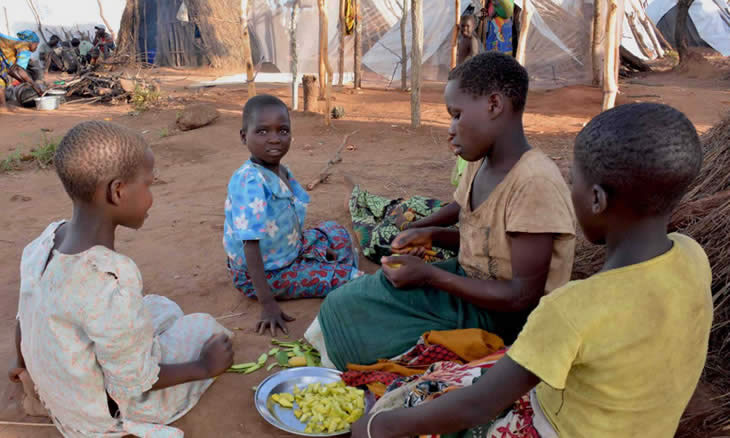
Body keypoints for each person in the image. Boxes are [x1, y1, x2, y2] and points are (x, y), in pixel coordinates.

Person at [351, 102, 712, 438]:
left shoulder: (571, 308)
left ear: (597, 199)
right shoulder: (692, 255)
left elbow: (477, 406)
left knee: (428, 395)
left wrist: (376, 428)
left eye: (575, 181)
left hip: (557, 428)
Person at [307, 52, 576, 370]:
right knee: (347, 301)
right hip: (469, 284)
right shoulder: (482, 164)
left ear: (493, 105)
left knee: (363, 335)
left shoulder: (534, 183)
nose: (450, 129)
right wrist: (427, 232)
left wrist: (430, 275)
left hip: (506, 320)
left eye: (457, 114)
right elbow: (475, 228)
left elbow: (521, 298)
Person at [7, 121, 234, 438]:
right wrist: (205, 367)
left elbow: (24, 319)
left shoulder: (44, 241)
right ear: (118, 191)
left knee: (159, 306)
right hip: (103, 411)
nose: (151, 196)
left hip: (59, 385)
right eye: (148, 184)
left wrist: (23, 365)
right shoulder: (110, 280)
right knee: (206, 328)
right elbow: (133, 383)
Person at [224, 95, 360, 336]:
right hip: (268, 272)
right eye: (263, 131)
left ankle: (321, 268)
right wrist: (267, 303)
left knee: (336, 231)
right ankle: (329, 273)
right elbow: (251, 246)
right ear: (244, 136)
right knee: (352, 277)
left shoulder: (278, 169)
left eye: (282, 130)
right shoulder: (250, 182)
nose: (275, 138)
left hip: (289, 250)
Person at [0, 30, 43, 112]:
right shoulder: (25, 48)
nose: (36, 48)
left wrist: (22, 81)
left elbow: (10, 70)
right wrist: (33, 85)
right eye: (36, 45)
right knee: (1, 81)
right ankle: (3, 106)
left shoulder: (15, 46)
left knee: (4, 78)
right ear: (31, 43)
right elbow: (19, 69)